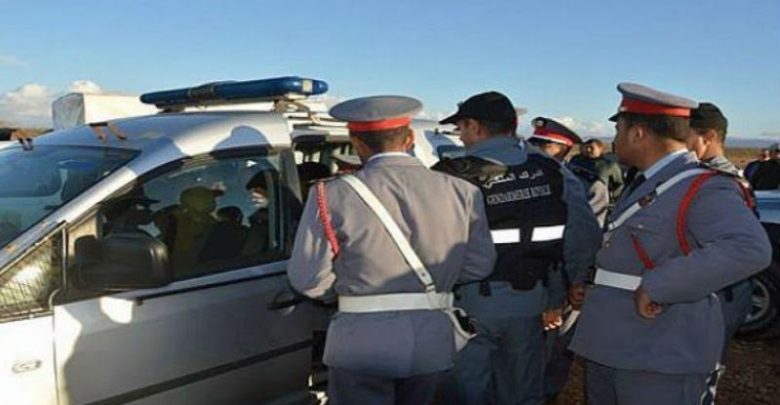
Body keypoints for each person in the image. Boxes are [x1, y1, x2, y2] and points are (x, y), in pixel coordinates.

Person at [569, 82, 772, 405]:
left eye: (618, 130)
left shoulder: (703, 186)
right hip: (612, 341)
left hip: (658, 350)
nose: (614, 139)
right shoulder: (648, 181)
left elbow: (748, 248)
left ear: (638, 133)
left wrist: (660, 285)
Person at [287, 95, 496, 404]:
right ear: (409, 138)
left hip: (360, 341)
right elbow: (480, 265)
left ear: (356, 143)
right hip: (433, 338)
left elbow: (308, 279)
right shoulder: (463, 191)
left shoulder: (329, 194)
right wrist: (434, 284)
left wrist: (351, 292)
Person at [434, 92, 601, 405]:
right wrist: (571, 286)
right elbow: (582, 233)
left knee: (465, 393)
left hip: (466, 306)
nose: (461, 136)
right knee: (523, 393)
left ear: (474, 126)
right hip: (532, 304)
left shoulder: (450, 174)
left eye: (461, 128)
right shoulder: (552, 170)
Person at [525, 116, 606, 402]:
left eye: (542, 146)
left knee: (553, 354)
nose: (534, 151)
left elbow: (584, 241)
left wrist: (576, 283)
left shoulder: (584, 185)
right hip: (530, 285)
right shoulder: (521, 178)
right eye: (533, 144)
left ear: (562, 150)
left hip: (560, 285)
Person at [686, 101, 756, 404]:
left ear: (708, 137)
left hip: (718, 295)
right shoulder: (720, 176)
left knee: (699, 373)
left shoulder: (716, 181)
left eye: (686, 136)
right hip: (721, 292)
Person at [571, 138, 625, 203]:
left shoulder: (609, 165)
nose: (588, 150)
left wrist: (611, 196)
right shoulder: (576, 161)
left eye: (591, 148)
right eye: (586, 147)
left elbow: (619, 184)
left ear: (600, 149)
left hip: (597, 202)